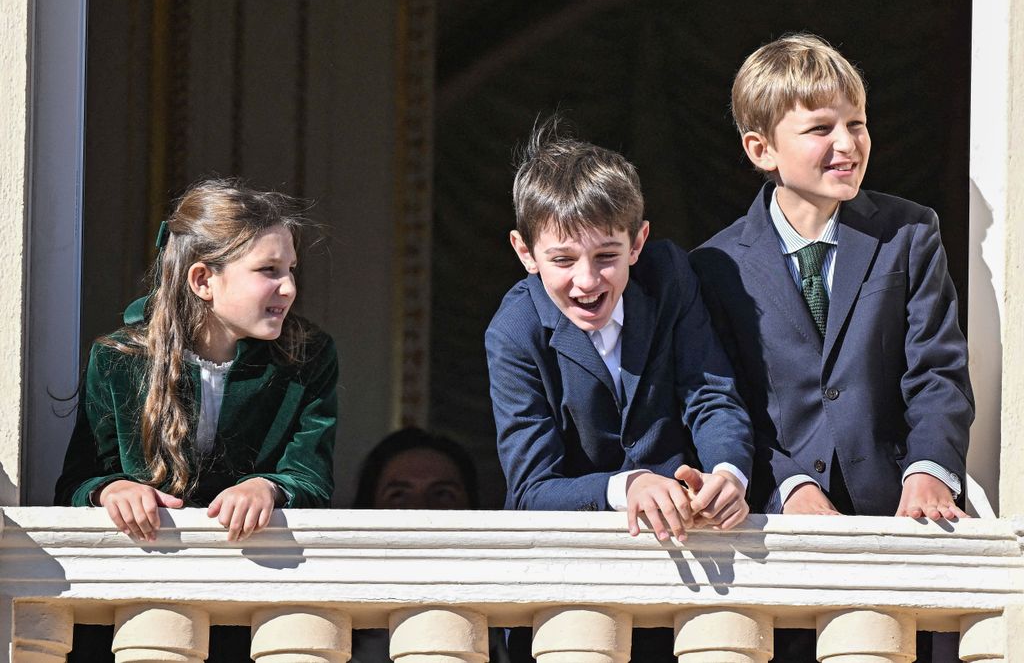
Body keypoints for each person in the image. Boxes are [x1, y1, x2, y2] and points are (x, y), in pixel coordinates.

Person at [689, 34, 972, 661]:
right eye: (821, 128)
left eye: (857, 124)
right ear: (761, 149)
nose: (847, 144)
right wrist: (788, 484)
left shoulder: (909, 233)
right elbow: (723, 401)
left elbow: (937, 370)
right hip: (774, 543)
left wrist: (928, 471)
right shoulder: (713, 265)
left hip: (904, 527)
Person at [485, 119, 755, 661]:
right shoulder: (512, 332)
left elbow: (710, 392)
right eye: (562, 260)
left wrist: (728, 472)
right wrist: (625, 486)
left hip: (682, 585)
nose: (587, 280)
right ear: (525, 252)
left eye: (607, 255)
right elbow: (533, 488)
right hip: (564, 597)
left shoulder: (671, 276)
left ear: (639, 242)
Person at [55, 178, 337, 543]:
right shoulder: (119, 359)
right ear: (203, 280)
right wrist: (111, 490)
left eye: (291, 269)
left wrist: (267, 487)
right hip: (149, 562)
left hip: (260, 563)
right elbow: (77, 483)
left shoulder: (308, 357)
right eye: (269, 270)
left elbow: (312, 479)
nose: (288, 287)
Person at [349, 428, 510, 663]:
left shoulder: (506, 626)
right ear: (370, 505)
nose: (420, 508)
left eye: (443, 493)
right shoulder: (339, 623)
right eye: (398, 494)